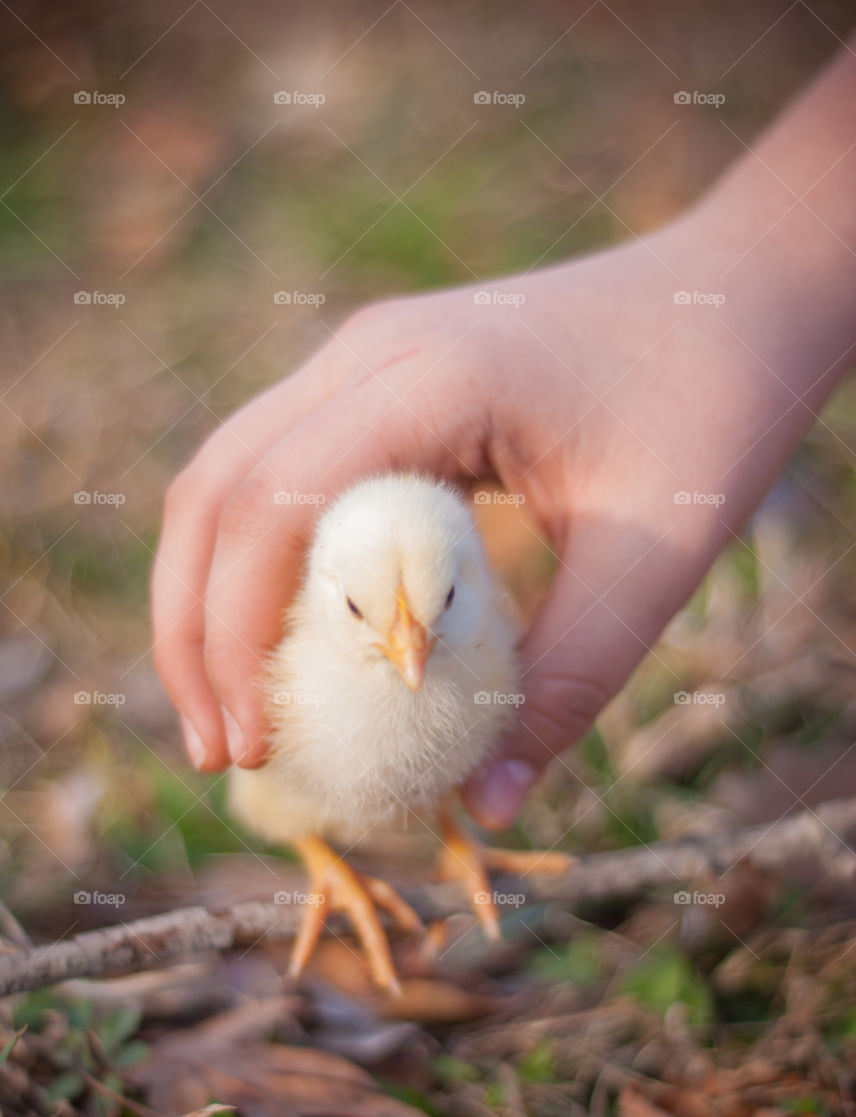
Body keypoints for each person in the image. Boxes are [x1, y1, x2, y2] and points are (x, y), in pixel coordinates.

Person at [152, 41, 856, 831]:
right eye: (363, 613)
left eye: (440, 604)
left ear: (466, 581)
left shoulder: (476, 635)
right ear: (328, 594)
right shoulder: (303, 659)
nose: (411, 653)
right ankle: (322, 863)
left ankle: (456, 836)